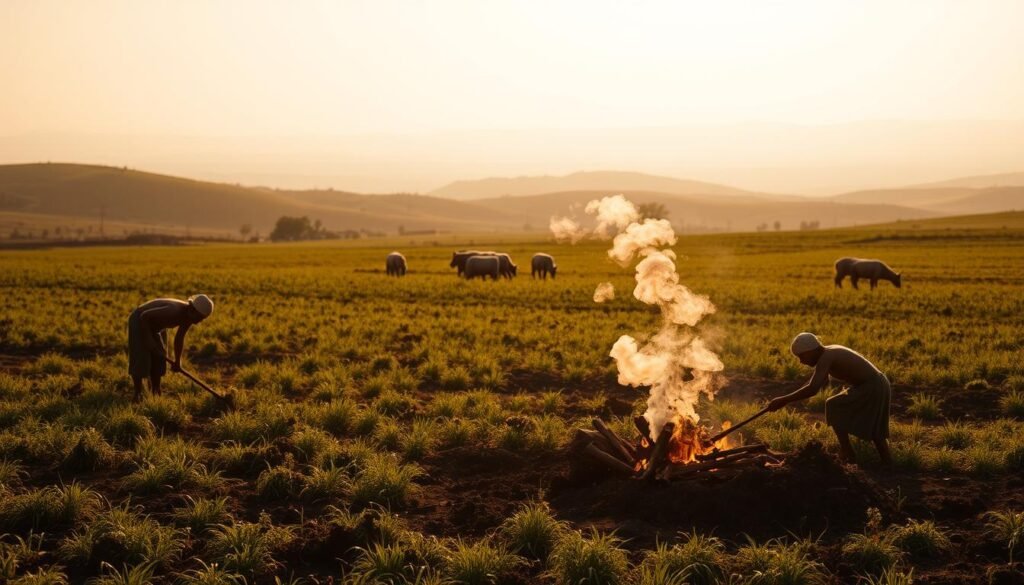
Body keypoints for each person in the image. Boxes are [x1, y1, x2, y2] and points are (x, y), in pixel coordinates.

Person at [767, 332, 892, 465]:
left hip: (872, 386)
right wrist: (784, 399)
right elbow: (814, 383)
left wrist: (784, 400)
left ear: (811, 350)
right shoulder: (827, 353)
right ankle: (883, 462)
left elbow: (813, 389)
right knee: (873, 426)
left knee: (835, 405)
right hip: (873, 384)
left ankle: (849, 452)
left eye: (801, 356)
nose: (801, 361)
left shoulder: (827, 356)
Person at [127, 295, 214, 402]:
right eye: (200, 318)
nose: (199, 321)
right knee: (141, 356)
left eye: (202, 319)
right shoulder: (174, 310)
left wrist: (178, 361)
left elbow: (179, 338)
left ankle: (155, 390)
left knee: (160, 356)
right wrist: (148, 338)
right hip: (139, 320)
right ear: (192, 309)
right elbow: (145, 316)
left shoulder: (189, 318)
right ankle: (137, 393)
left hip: (156, 327)